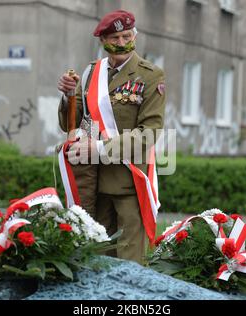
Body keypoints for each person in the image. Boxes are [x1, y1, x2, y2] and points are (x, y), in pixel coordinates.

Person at [57, 9, 166, 264]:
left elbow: (148, 134)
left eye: (126, 35)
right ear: (103, 41)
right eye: (114, 38)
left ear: (135, 36)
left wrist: (97, 149)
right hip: (94, 184)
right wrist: (68, 96)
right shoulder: (91, 73)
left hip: (130, 183)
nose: (121, 43)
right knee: (98, 260)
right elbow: (73, 126)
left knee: (129, 265)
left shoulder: (150, 75)